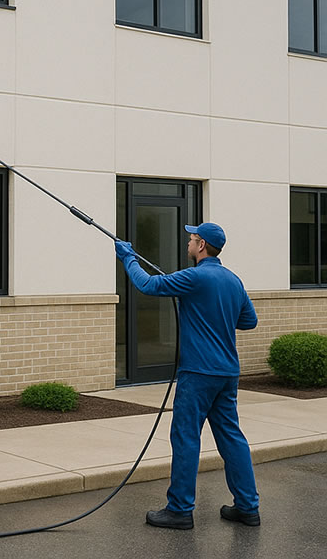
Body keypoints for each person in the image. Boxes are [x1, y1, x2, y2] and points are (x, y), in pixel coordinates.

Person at [114, 222, 259, 530]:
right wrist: (215, 316)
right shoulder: (232, 280)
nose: (188, 244)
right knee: (232, 438)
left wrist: (127, 258)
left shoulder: (195, 276)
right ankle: (248, 507)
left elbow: (148, 285)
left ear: (202, 245)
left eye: (192, 240)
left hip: (198, 373)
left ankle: (180, 510)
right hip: (227, 373)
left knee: (185, 437)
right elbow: (249, 321)